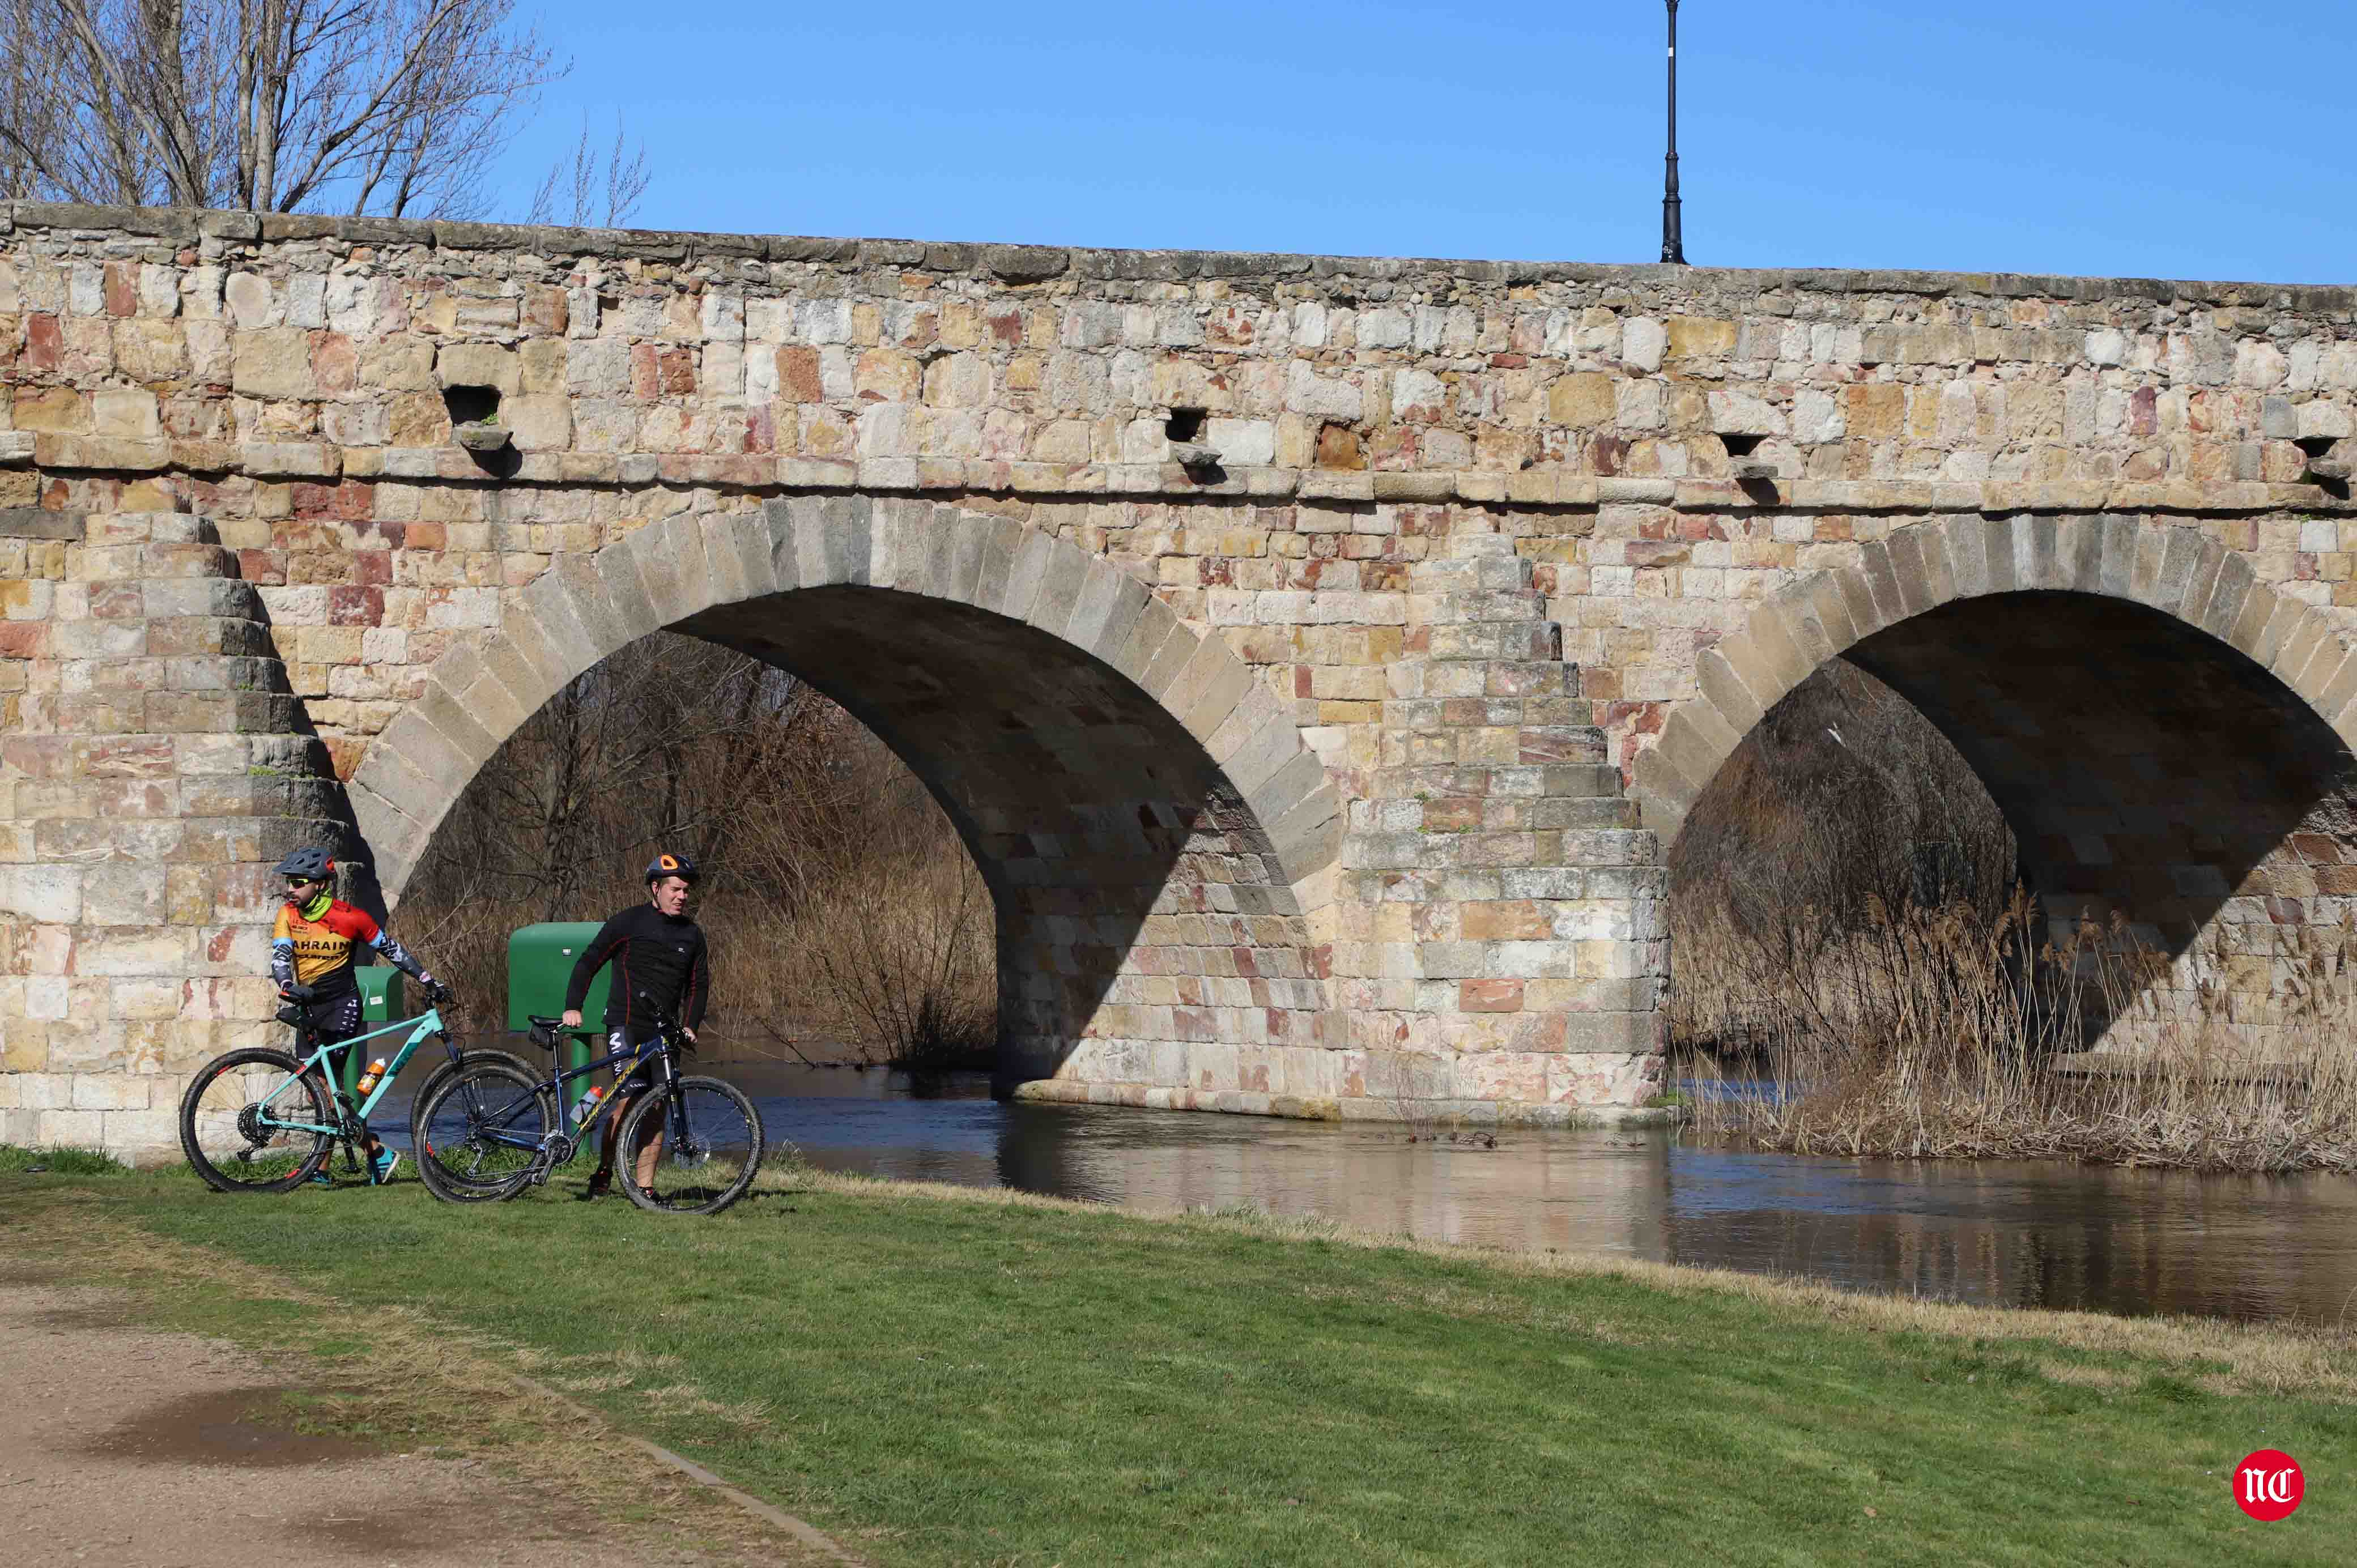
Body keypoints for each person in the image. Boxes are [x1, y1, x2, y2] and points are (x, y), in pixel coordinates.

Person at [268, 846, 453, 1185]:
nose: (290, 889)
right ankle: (371, 1152)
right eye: (289, 882)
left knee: (325, 1085)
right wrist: (286, 984)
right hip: (308, 1002)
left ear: (321, 884)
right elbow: (281, 953)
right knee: (321, 1091)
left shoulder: (351, 918)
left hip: (343, 1005)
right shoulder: (288, 914)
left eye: (297, 882)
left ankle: (323, 1168)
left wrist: (428, 979)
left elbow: (392, 950)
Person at [560, 851, 710, 1199]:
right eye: (675, 889)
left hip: (665, 1032)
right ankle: (604, 1170)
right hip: (626, 1025)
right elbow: (589, 961)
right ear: (656, 888)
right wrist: (573, 1007)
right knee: (628, 1099)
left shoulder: (692, 935)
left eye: (686, 891)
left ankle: (645, 1188)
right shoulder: (628, 922)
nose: (682, 896)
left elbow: (698, 986)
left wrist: (691, 1025)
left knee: (658, 1105)